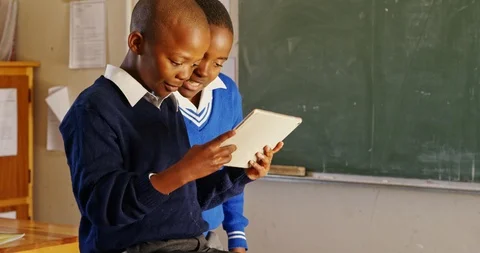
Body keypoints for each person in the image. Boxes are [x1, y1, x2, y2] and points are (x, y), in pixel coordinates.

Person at [59, 0, 278, 252]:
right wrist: (184, 170)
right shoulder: (93, 109)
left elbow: (185, 201)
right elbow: (102, 206)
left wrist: (240, 175)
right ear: (137, 43)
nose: (186, 75)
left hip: (190, 243)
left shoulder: (163, 102)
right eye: (177, 61)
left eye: (193, 65)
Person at [173, 1, 283, 252]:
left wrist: (237, 237)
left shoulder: (227, 93)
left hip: (208, 237)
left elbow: (233, 165)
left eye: (218, 63)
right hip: (167, 238)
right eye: (199, 57)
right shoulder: (158, 99)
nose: (204, 71)